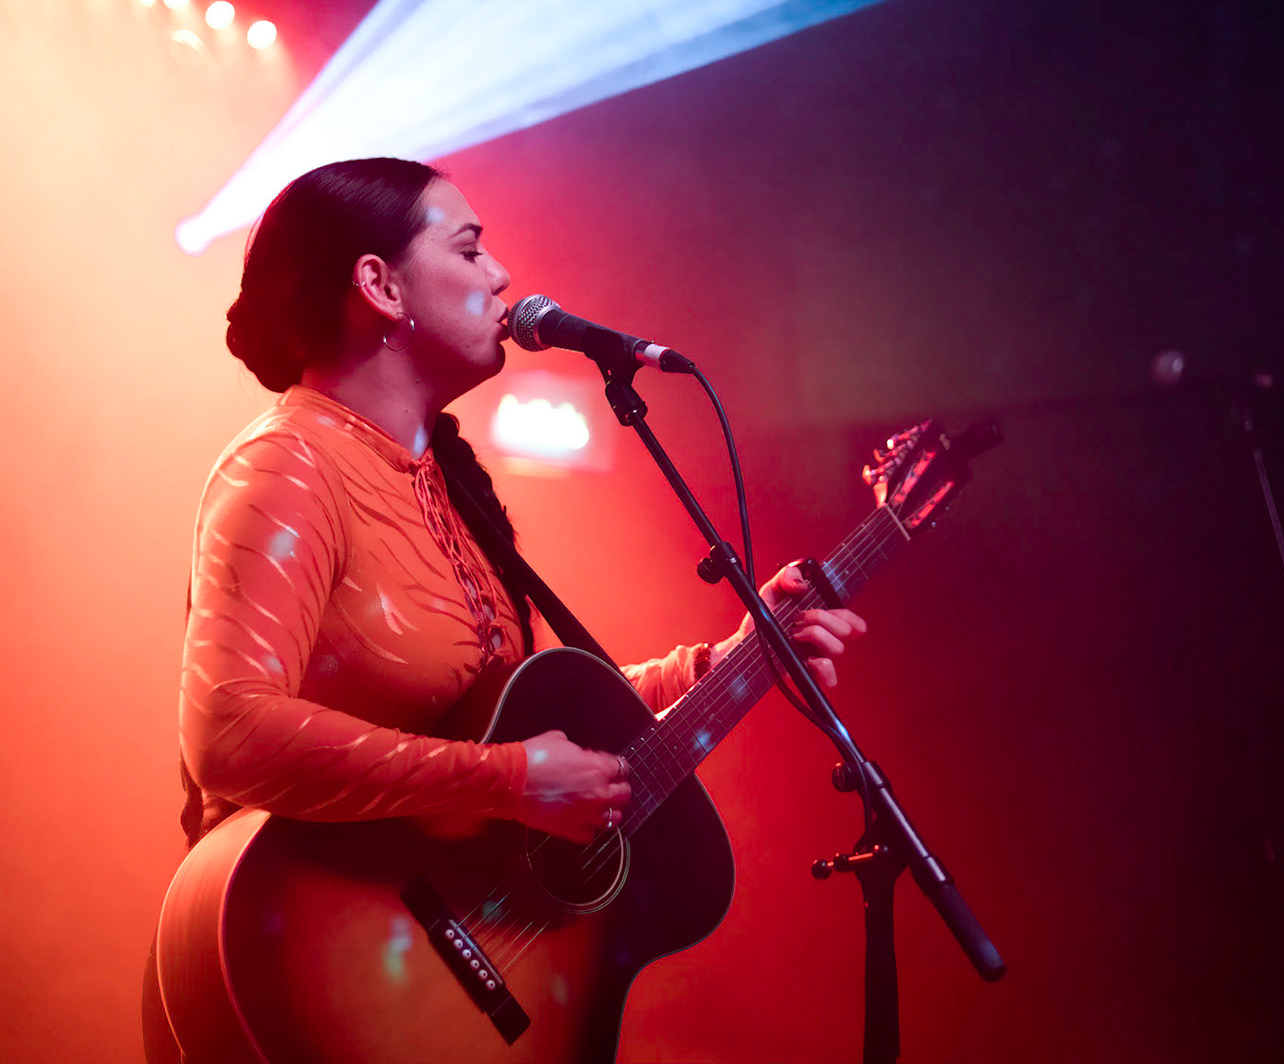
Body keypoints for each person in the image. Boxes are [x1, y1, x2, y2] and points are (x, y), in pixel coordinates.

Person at [144, 157, 866, 1061]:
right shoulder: (289, 466)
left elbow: (514, 721)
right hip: (298, 962)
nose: (503, 277)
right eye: (471, 248)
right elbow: (231, 734)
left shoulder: (449, 487)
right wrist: (513, 783)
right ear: (379, 284)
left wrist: (729, 660)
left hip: (440, 992)